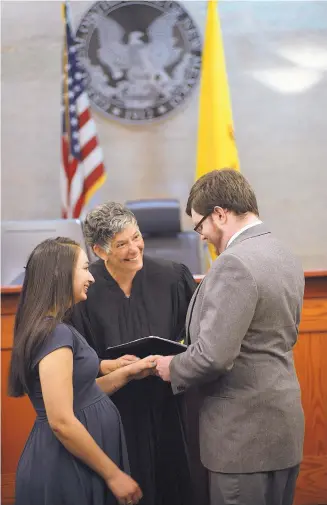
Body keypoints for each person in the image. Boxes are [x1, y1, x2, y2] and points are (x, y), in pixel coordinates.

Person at [156, 169, 305, 505]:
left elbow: (213, 356)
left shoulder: (234, 263)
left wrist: (172, 367)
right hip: (282, 427)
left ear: (220, 214)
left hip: (242, 438)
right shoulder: (283, 253)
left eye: (200, 226)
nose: (202, 236)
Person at [70, 202, 206, 505]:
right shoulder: (83, 290)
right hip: (114, 411)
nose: (134, 248)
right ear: (100, 251)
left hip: (171, 405)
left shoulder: (172, 276)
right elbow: (77, 356)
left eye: (136, 237)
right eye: (121, 244)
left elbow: (197, 338)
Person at [8, 237, 160, 505]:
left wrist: (127, 373)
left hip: (77, 463)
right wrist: (114, 475)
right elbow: (61, 420)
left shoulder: (54, 328)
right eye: (85, 268)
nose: (91, 277)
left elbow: (80, 394)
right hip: (67, 467)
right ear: (60, 273)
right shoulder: (55, 334)